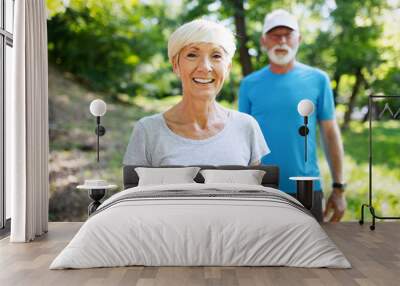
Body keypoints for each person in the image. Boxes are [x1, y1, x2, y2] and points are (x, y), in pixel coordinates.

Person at [239, 9, 346, 222]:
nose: (282, 41)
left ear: (299, 39)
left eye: (288, 34)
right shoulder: (249, 84)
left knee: (310, 254)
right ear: (263, 41)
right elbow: (241, 141)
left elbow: (330, 134)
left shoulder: (318, 79)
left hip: (306, 189)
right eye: (275, 35)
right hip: (261, 190)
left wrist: (339, 188)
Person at [124, 19, 269, 167]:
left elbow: (255, 190)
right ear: (176, 65)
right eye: (192, 55)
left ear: (228, 67)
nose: (205, 67)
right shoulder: (148, 131)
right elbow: (134, 189)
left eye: (216, 56)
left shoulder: (246, 126)